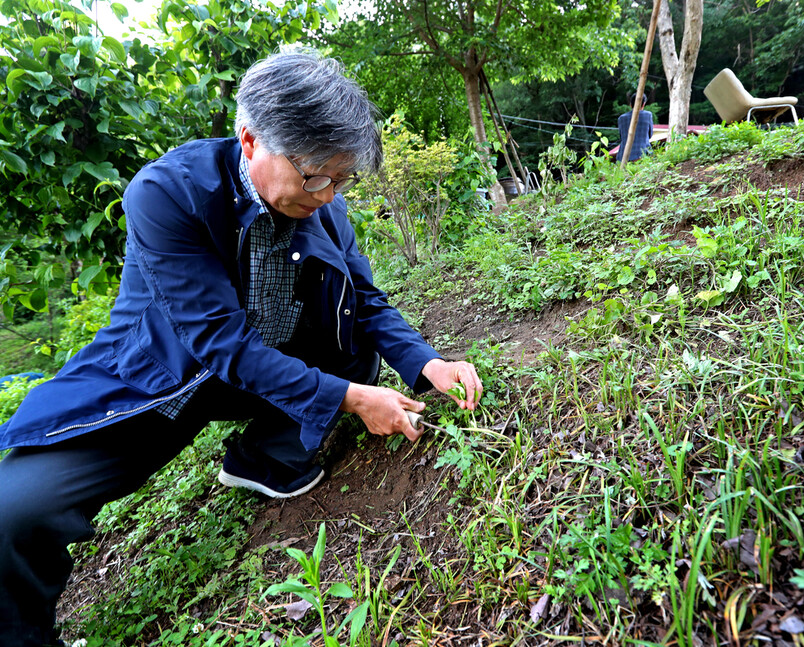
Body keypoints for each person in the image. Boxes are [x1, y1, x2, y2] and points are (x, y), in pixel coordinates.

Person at [0, 49, 482, 647]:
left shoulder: (324, 207)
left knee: (353, 342)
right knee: (12, 514)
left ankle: (261, 459)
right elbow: (219, 342)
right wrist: (353, 399)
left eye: (343, 177)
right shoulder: (167, 194)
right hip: (162, 382)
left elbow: (364, 297)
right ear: (250, 141)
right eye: (315, 175)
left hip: (270, 366)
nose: (329, 194)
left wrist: (426, 362)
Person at [617, 93, 654, 162]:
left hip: (623, 156)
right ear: (643, 104)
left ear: (631, 104)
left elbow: (621, 136)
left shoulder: (621, 118)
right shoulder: (648, 115)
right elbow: (650, 134)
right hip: (643, 154)